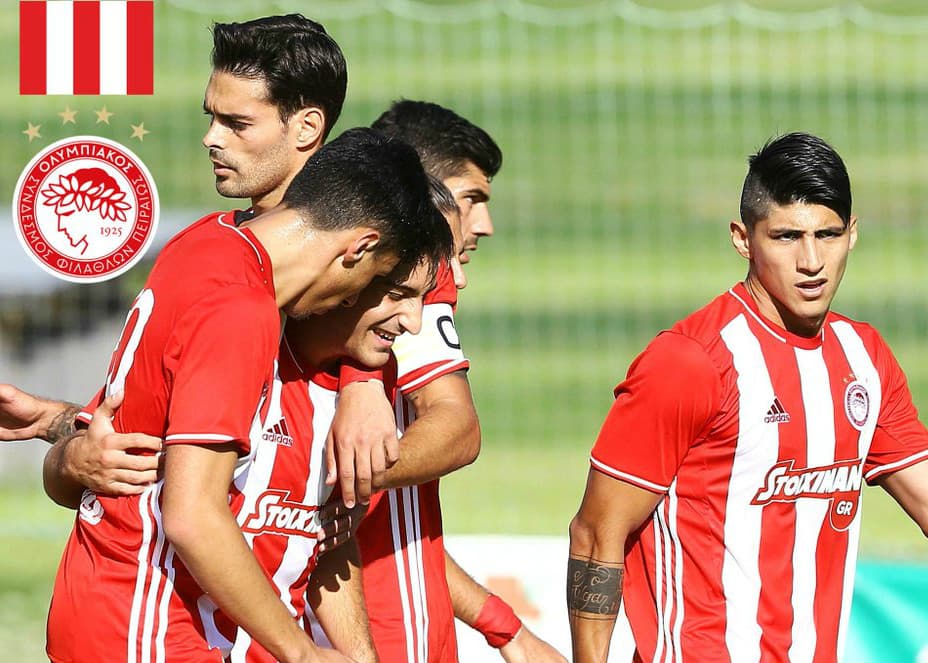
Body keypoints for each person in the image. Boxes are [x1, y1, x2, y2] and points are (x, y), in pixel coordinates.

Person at [42, 127, 451, 663]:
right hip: (150, 627)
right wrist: (302, 654)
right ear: (360, 248)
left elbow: (141, 420)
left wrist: (361, 382)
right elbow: (191, 514)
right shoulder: (241, 310)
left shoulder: (207, 242)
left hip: (117, 615)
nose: (411, 319)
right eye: (383, 284)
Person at [0, 14, 392, 508]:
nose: (211, 137)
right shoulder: (196, 253)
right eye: (211, 116)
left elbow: (456, 429)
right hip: (192, 568)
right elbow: (108, 460)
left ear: (308, 126)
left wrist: (364, 385)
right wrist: (64, 439)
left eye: (236, 123)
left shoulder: (387, 256)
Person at [567, 132, 928, 662]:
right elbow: (596, 534)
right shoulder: (689, 362)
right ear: (742, 238)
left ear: (852, 234)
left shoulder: (864, 358)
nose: (811, 261)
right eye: (785, 237)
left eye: (827, 235)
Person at [319, 100, 565, 663]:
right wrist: (322, 481)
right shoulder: (424, 288)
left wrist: (508, 630)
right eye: (471, 199)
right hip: (381, 634)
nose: (484, 225)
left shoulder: (335, 294)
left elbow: (399, 537)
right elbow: (458, 431)